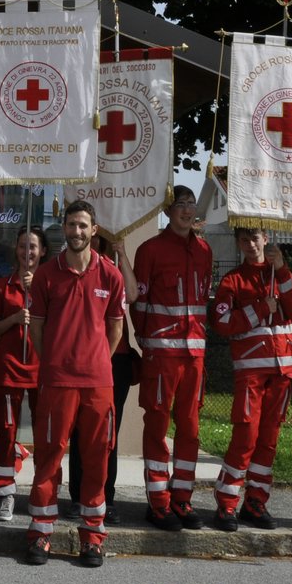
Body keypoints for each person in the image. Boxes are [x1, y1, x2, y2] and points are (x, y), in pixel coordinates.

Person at [24, 201, 125, 568]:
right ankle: (40, 533)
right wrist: (54, 359)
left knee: (97, 459)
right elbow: (36, 328)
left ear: (94, 230)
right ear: (63, 228)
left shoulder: (111, 275)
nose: (77, 232)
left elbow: (116, 327)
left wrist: (97, 359)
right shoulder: (48, 275)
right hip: (57, 381)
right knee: (49, 456)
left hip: (98, 383)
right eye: (71, 225)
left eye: (83, 226)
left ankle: (93, 538)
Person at [210, 226, 292, 531]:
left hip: (282, 371)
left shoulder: (282, 273)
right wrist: (261, 307)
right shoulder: (232, 279)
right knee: (245, 438)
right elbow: (222, 322)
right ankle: (226, 503)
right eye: (244, 239)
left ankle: (255, 502)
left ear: (266, 238)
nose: (251, 244)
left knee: (269, 442)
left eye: (256, 238)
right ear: (238, 243)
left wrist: (283, 270)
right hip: (251, 371)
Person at [131, 185, 213, 530]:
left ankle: (182, 498)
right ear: (167, 211)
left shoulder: (205, 250)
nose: (187, 210)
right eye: (180, 204)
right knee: (157, 425)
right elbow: (139, 303)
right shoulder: (150, 250)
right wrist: (146, 341)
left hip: (194, 353)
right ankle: (159, 502)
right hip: (162, 354)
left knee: (191, 429)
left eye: (191, 204)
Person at [67, 233, 138, 526]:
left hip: (113, 360)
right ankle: (77, 497)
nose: (90, 240)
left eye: (97, 236)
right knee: (77, 431)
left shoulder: (112, 266)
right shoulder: (71, 264)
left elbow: (132, 295)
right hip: (77, 359)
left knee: (108, 433)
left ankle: (105, 498)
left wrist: (122, 252)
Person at [0, 226, 46, 521]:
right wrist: (14, 318)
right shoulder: (1, 286)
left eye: (33, 247)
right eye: (23, 246)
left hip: (43, 370)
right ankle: (5, 493)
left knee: (47, 435)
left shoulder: (50, 284)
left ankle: (43, 493)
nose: (28, 252)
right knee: (6, 433)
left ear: (43, 251)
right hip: (9, 368)